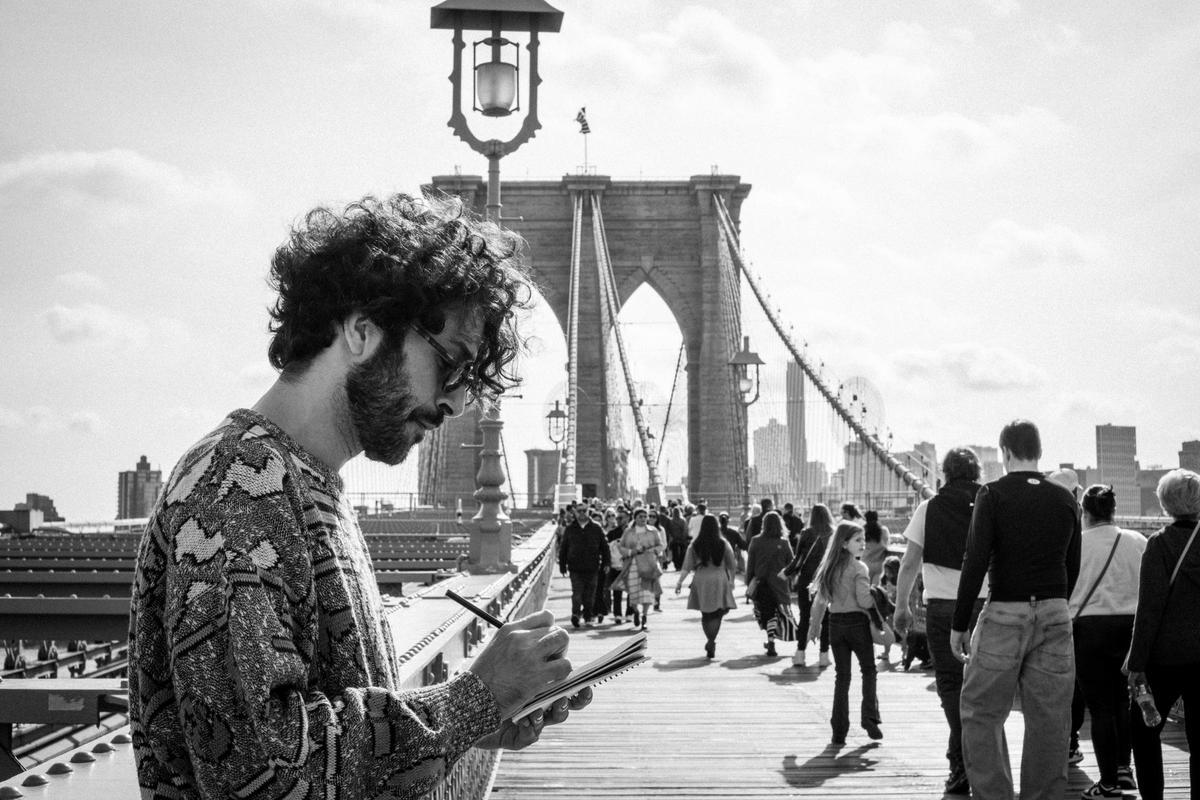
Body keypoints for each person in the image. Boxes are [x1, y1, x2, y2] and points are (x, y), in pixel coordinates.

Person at [127, 193, 589, 799]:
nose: (457, 402)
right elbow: (260, 772)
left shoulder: (300, 479)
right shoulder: (234, 491)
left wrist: (473, 723)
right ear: (362, 329)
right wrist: (472, 700)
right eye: (451, 364)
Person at [950, 420, 1081, 800]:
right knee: (1051, 720)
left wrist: (960, 624)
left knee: (981, 712)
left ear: (1005, 452)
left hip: (1006, 611)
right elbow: (1071, 567)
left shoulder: (992, 494)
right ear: (1038, 451)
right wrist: (1056, 607)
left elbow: (975, 561)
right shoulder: (1066, 500)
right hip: (1056, 612)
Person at [893, 447, 988, 795]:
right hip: (986, 607)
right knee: (984, 688)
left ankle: (960, 764)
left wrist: (901, 606)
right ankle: (971, 760)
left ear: (944, 473)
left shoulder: (929, 508)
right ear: (977, 472)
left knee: (950, 685)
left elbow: (908, 562)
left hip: (943, 608)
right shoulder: (990, 502)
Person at [1125, 468, 1200, 800]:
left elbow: (1149, 609)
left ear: (1165, 503)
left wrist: (1136, 662)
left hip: (1164, 658)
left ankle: (1153, 796)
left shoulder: (1159, 545)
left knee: (1144, 731)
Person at [1067, 485, 1146, 800]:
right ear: (1113, 511)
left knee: (1100, 708)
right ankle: (1125, 769)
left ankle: (1109, 782)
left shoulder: (1076, 545)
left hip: (1089, 630)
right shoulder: (1138, 542)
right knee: (1123, 703)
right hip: (1131, 629)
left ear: (1085, 513)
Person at [808, 521, 882, 744]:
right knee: (868, 671)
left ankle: (839, 730)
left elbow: (820, 603)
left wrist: (815, 626)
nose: (863, 545)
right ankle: (869, 718)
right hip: (857, 625)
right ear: (844, 543)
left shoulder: (829, 568)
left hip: (836, 625)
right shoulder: (859, 568)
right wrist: (878, 597)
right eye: (858, 540)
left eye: (863, 540)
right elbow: (863, 599)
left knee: (842, 677)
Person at [674, 514, 738, 659]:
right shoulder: (724, 543)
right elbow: (732, 565)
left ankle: (709, 639)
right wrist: (732, 581)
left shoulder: (695, 545)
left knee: (705, 613)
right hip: (719, 579)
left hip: (701, 579)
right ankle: (712, 640)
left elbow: (686, 567)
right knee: (718, 612)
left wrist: (679, 583)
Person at [786, 503, 834, 668]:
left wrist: (787, 573)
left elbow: (798, 559)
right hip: (826, 580)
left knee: (805, 616)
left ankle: (800, 654)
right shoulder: (833, 534)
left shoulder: (806, 533)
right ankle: (823, 655)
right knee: (826, 618)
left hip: (807, 581)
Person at [745, 511, 794, 657]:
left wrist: (749, 582)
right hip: (779, 583)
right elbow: (791, 563)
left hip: (761, 582)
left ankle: (770, 639)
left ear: (764, 525)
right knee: (776, 612)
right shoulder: (784, 542)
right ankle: (771, 640)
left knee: (766, 612)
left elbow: (750, 565)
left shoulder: (755, 541)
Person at [559, 505, 611, 628]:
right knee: (577, 593)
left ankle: (588, 616)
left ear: (588, 512)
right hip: (575, 567)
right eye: (579, 511)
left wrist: (606, 563)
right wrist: (562, 565)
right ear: (575, 513)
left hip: (592, 567)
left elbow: (605, 547)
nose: (582, 513)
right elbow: (564, 548)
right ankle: (576, 614)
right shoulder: (570, 529)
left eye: (584, 511)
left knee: (590, 594)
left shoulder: (596, 528)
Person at [620, 507, 664, 632]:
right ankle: (635, 611)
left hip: (648, 564)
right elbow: (621, 547)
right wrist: (631, 551)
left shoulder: (653, 531)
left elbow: (661, 545)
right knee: (633, 592)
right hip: (633, 563)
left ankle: (644, 616)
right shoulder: (629, 532)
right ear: (635, 518)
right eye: (641, 516)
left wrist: (653, 550)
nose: (644, 519)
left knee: (647, 593)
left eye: (646, 516)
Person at [862, 510, 889, 585]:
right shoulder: (883, 530)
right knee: (875, 589)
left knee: (866, 586)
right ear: (877, 518)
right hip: (880, 563)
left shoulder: (862, 530)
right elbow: (886, 544)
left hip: (866, 562)